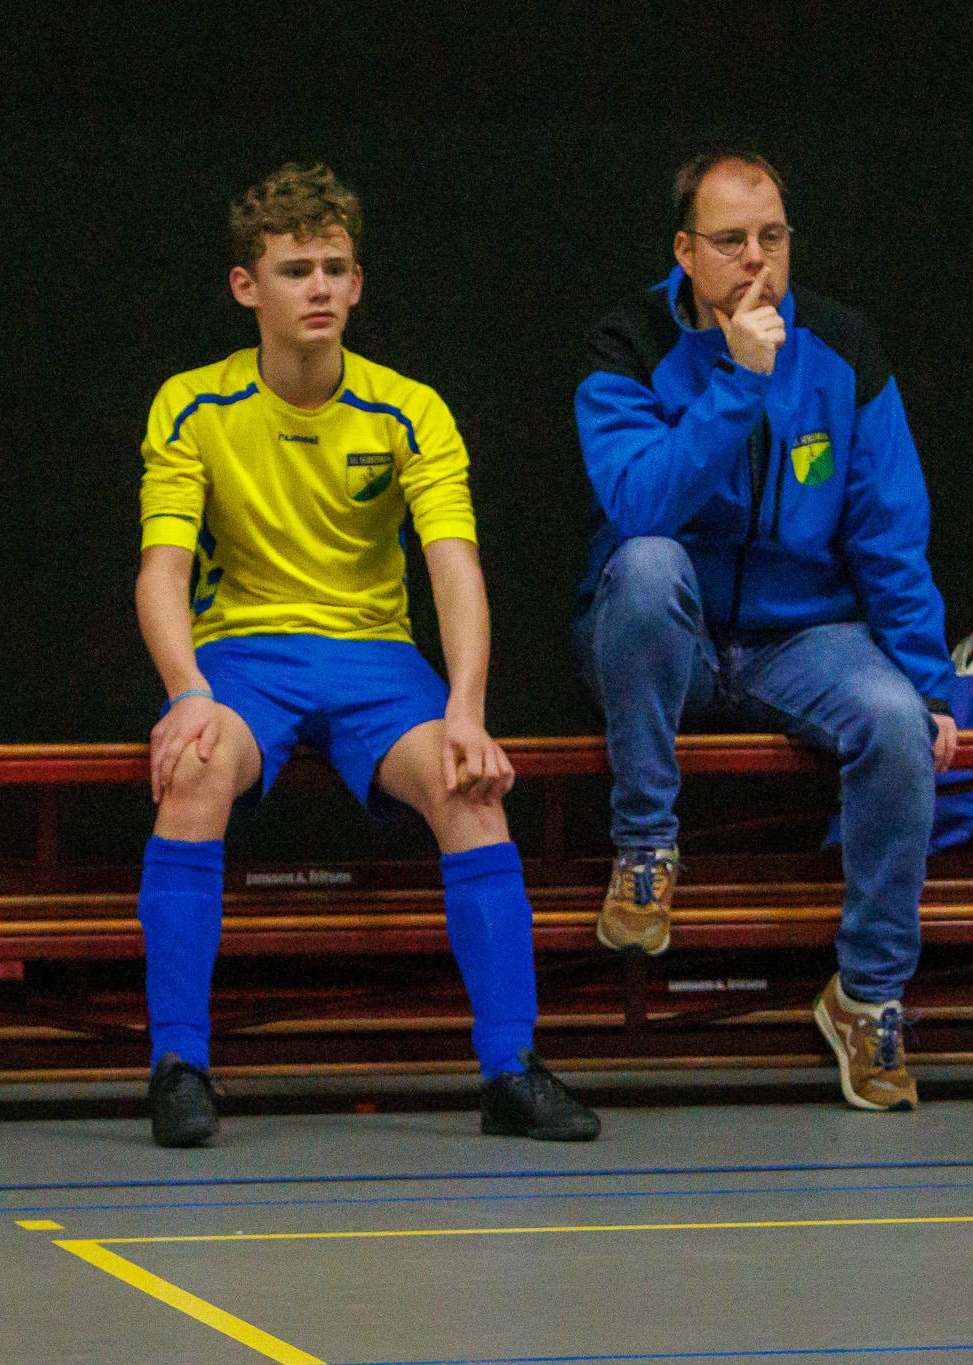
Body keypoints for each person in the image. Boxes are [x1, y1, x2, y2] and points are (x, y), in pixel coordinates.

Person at [134, 163, 600, 1147]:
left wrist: (466, 710)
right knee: (194, 768)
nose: (318, 287)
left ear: (357, 284)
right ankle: (178, 1066)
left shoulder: (409, 409)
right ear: (245, 286)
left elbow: (454, 569)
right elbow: (161, 571)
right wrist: (185, 691)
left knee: (471, 788)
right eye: (293, 269)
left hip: (374, 657)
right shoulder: (191, 405)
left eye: (334, 268)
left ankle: (510, 1070)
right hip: (243, 654)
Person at [570, 151, 958, 1112]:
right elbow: (639, 501)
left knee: (898, 723)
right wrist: (739, 379)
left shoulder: (843, 348)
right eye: (731, 241)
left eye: (773, 238)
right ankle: (646, 849)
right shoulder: (627, 345)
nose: (757, 261)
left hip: (801, 638)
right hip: (668, 635)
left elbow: (889, 530)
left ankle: (867, 996)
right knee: (648, 563)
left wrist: (927, 683)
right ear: (684, 253)